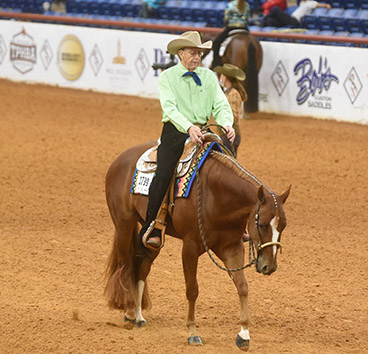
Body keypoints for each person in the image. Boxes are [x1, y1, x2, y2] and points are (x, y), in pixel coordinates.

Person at [139, 31, 235, 249]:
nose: (197, 57)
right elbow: (170, 108)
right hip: (175, 130)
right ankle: (151, 225)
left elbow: (220, 104)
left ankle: (233, 222)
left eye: (199, 53)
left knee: (228, 166)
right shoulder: (167, 77)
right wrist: (188, 127)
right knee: (164, 172)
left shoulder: (209, 77)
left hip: (202, 129)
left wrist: (226, 123)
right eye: (192, 53)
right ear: (181, 54)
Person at [213, 63, 247, 157]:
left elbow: (234, 116)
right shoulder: (229, 92)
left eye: (222, 75)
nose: (221, 77)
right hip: (228, 133)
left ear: (225, 77)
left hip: (229, 134)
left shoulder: (233, 94)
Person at [211, 0, 251, 70]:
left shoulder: (231, 4)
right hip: (244, 28)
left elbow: (226, 18)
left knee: (216, 43)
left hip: (232, 27)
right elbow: (247, 18)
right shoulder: (246, 5)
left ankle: (216, 63)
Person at [262, 0, 331, 28]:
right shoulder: (302, 3)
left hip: (295, 21)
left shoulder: (311, 3)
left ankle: (262, 21)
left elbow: (319, 5)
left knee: (275, 9)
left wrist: (326, 5)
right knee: (270, 20)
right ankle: (262, 22)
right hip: (290, 19)